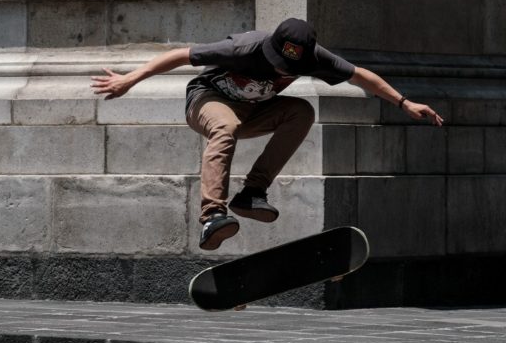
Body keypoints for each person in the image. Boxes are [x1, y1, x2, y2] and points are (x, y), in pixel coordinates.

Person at [91, 18, 444, 251]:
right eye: (277, 63)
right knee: (225, 127)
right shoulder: (245, 46)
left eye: (288, 69)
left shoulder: (315, 58)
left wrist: (403, 102)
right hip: (206, 100)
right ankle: (212, 215)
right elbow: (181, 55)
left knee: (301, 111)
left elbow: (360, 75)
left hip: (254, 113)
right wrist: (130, 79)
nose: (280, 70)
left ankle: (252, 193)